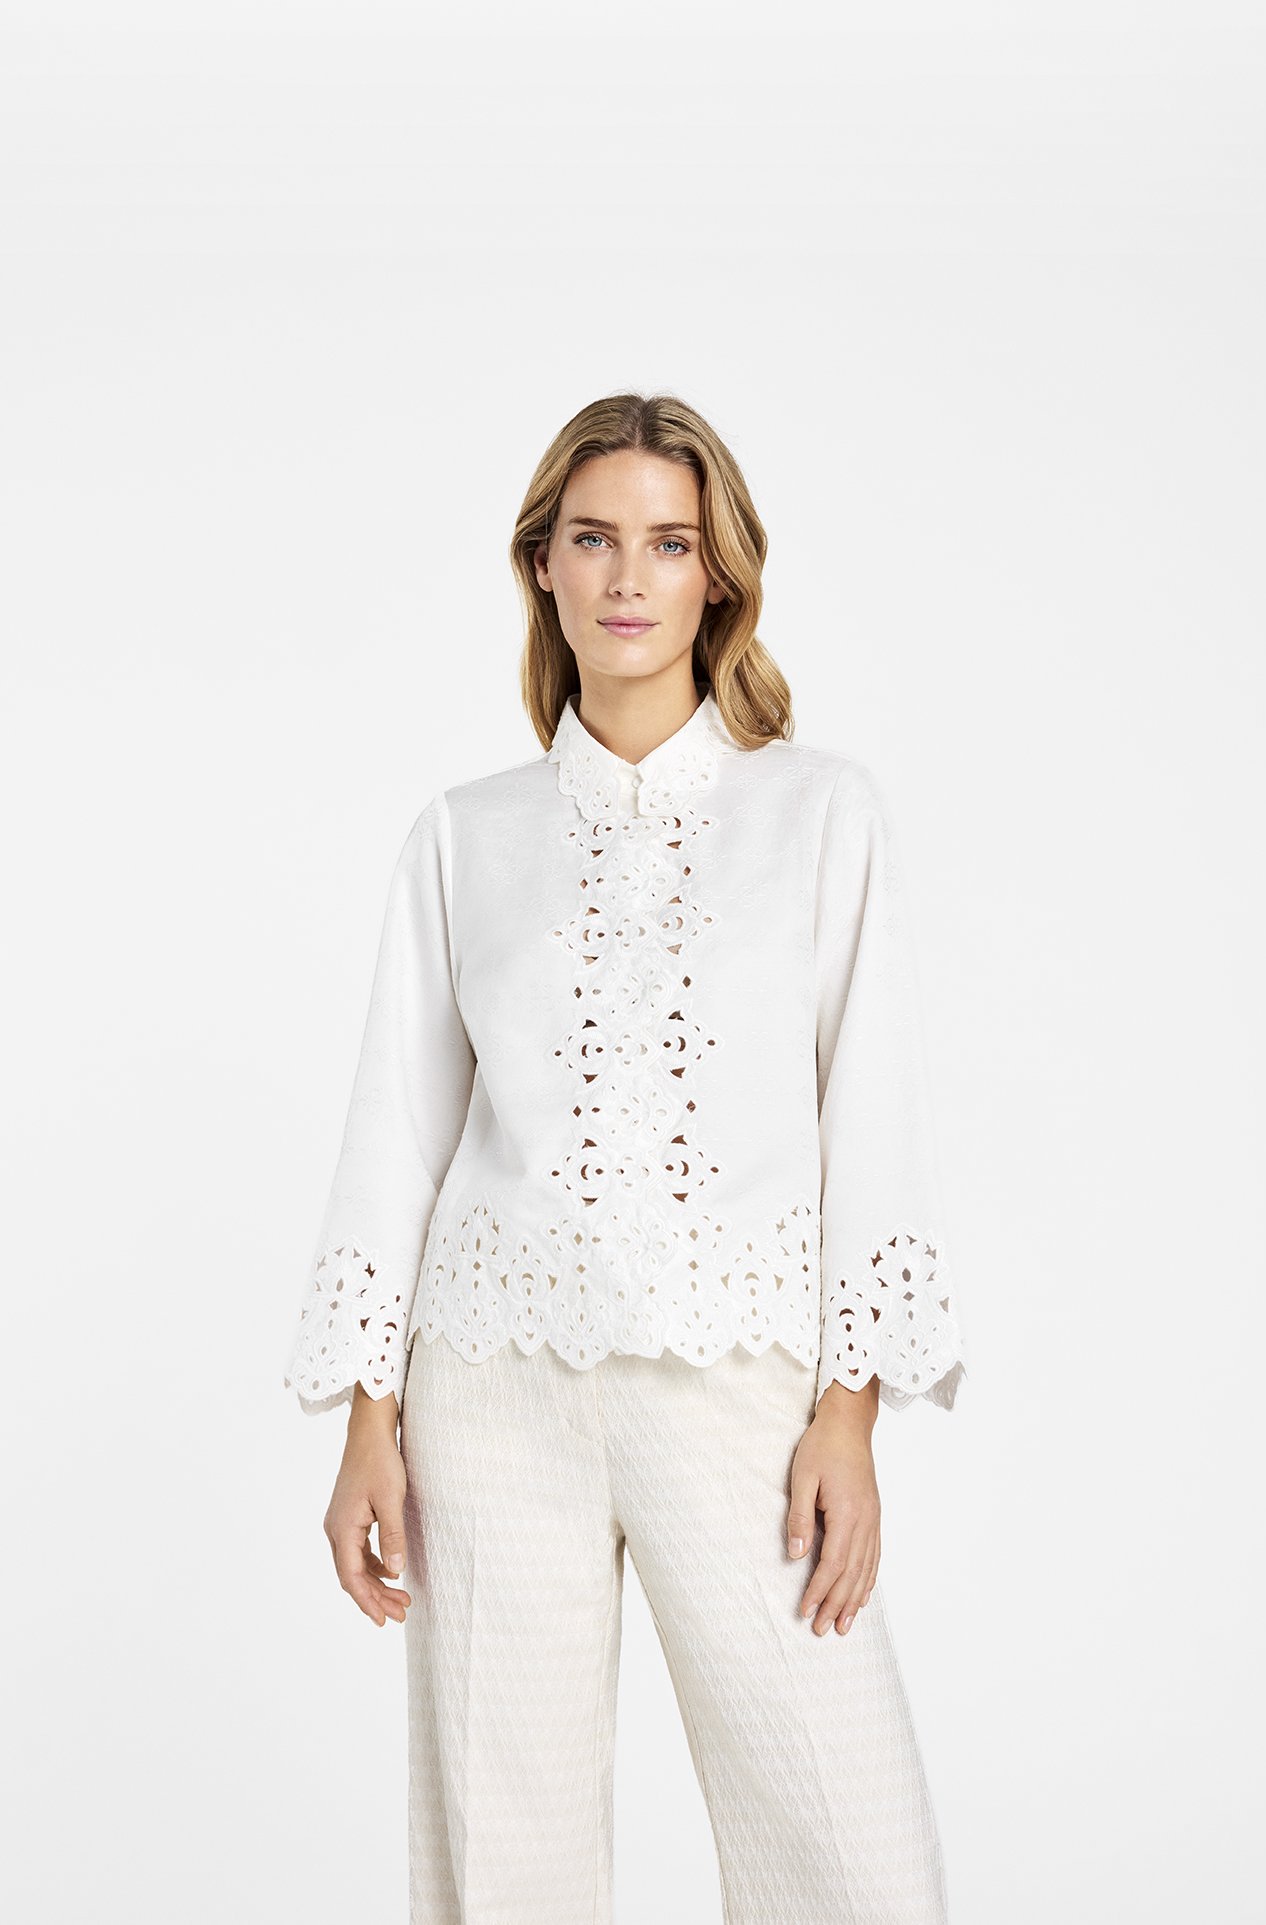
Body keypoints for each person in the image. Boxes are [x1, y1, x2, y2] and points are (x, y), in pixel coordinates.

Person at [284, 391, 969, 1924]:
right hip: (487, 1390)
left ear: (717, 574)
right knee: (501, 1855)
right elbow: (397, 1133)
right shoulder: (464, 836)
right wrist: (368, 1420)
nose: (628, 576)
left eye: (668, 543)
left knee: (853, 1853)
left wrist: (848, 1414)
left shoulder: (819, 813)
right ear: (543, 562)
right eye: (594, 539)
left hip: (737, 1385)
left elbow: (872, 1117)